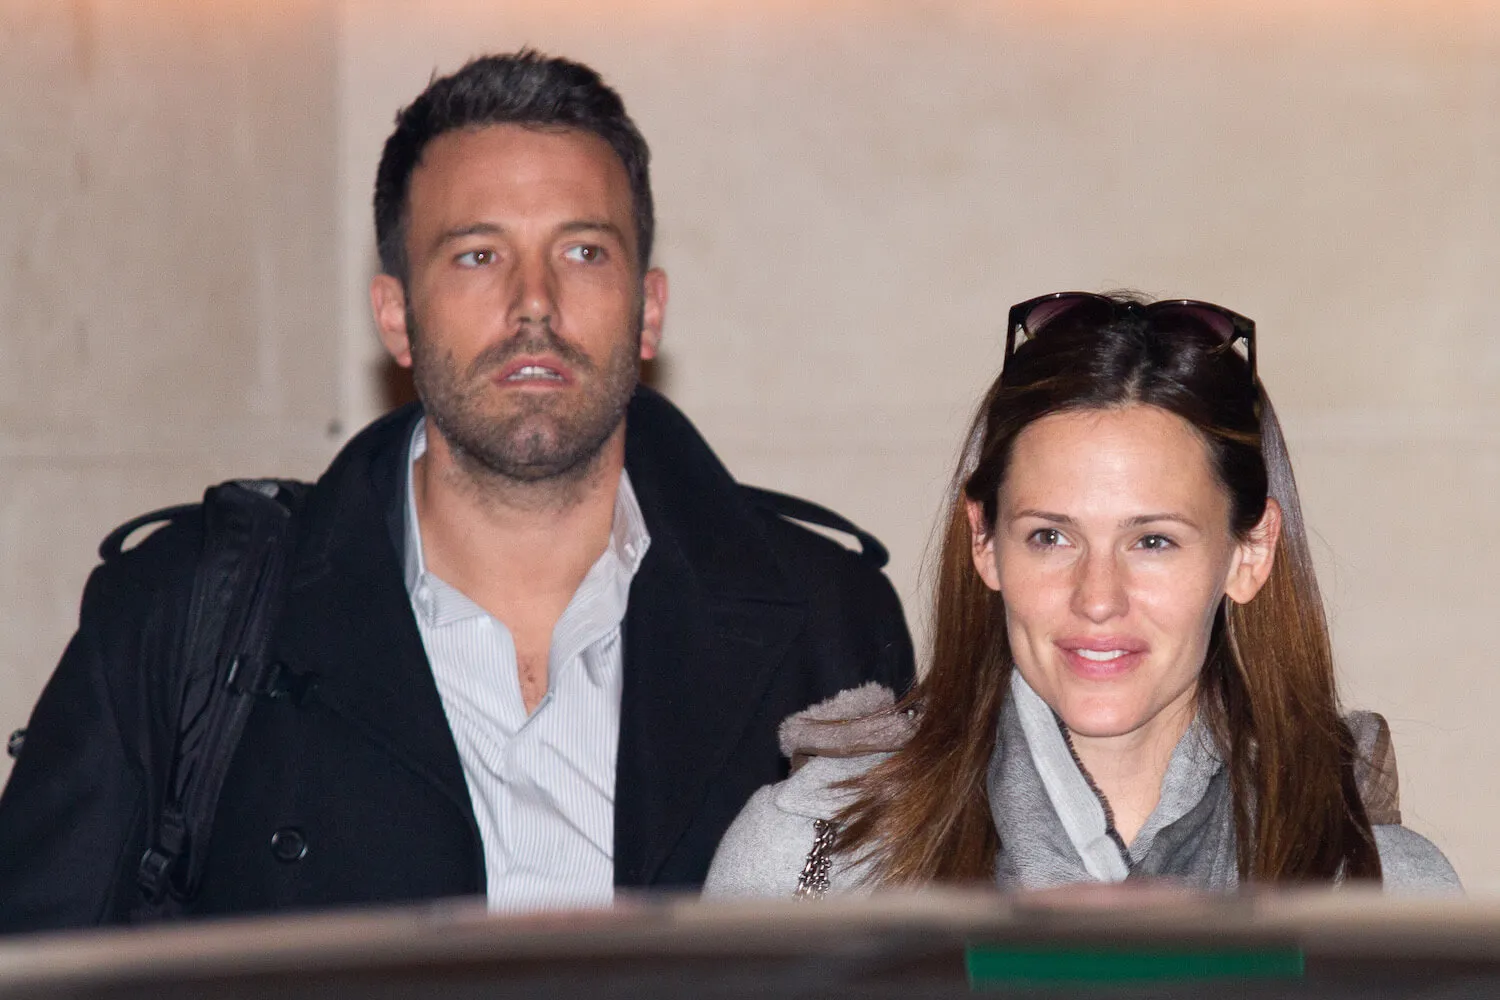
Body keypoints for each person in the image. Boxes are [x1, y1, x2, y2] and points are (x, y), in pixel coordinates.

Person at [0, 51, 914, 931]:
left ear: (650, 310)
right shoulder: (189, 613)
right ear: (396, 317)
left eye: (585, 251)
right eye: (478, 256)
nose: (534, 304)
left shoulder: (826, 623)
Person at [704, 291, 1458, 897]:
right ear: (984, 543)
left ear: (1249, 554)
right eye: (1051, 537)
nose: (1098, 597)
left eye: (1153, 540)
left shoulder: (1382, 894)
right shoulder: (811, 857)